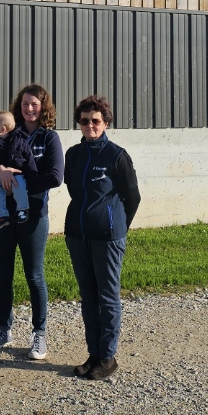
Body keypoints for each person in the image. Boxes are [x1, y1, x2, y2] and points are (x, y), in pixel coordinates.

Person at [0, 85, 65, 360]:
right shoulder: (6, 132)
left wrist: (20, 181)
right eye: (25, 104)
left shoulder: (49, 138)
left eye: (35, 104)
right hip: (2, 214)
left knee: (34, 275)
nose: (29, 109)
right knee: (3, 274)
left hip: (33, 215)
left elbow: (55, 177)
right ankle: (4, 330)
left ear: (44, 108)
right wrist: (0, 170)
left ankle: (39, 334)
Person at [62, 94, 140, 381]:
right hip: (78, 235)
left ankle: (108, 357)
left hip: (108, 237)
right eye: (84, 121)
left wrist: (116, 224)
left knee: (107, 297)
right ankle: (93, 354)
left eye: (95, 121)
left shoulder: (117, 156)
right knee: (88, 296)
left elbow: (132, 197)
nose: (89, 125)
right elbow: (74, 189)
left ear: (106, 123)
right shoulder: (73, 154)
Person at [0, 110, 34, 229]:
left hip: (17, 175)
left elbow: (29, 158)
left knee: (19, 186)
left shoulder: (20, 141)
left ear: (3, 129)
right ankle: (1, 216)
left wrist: (31, 174)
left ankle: (23, 210)